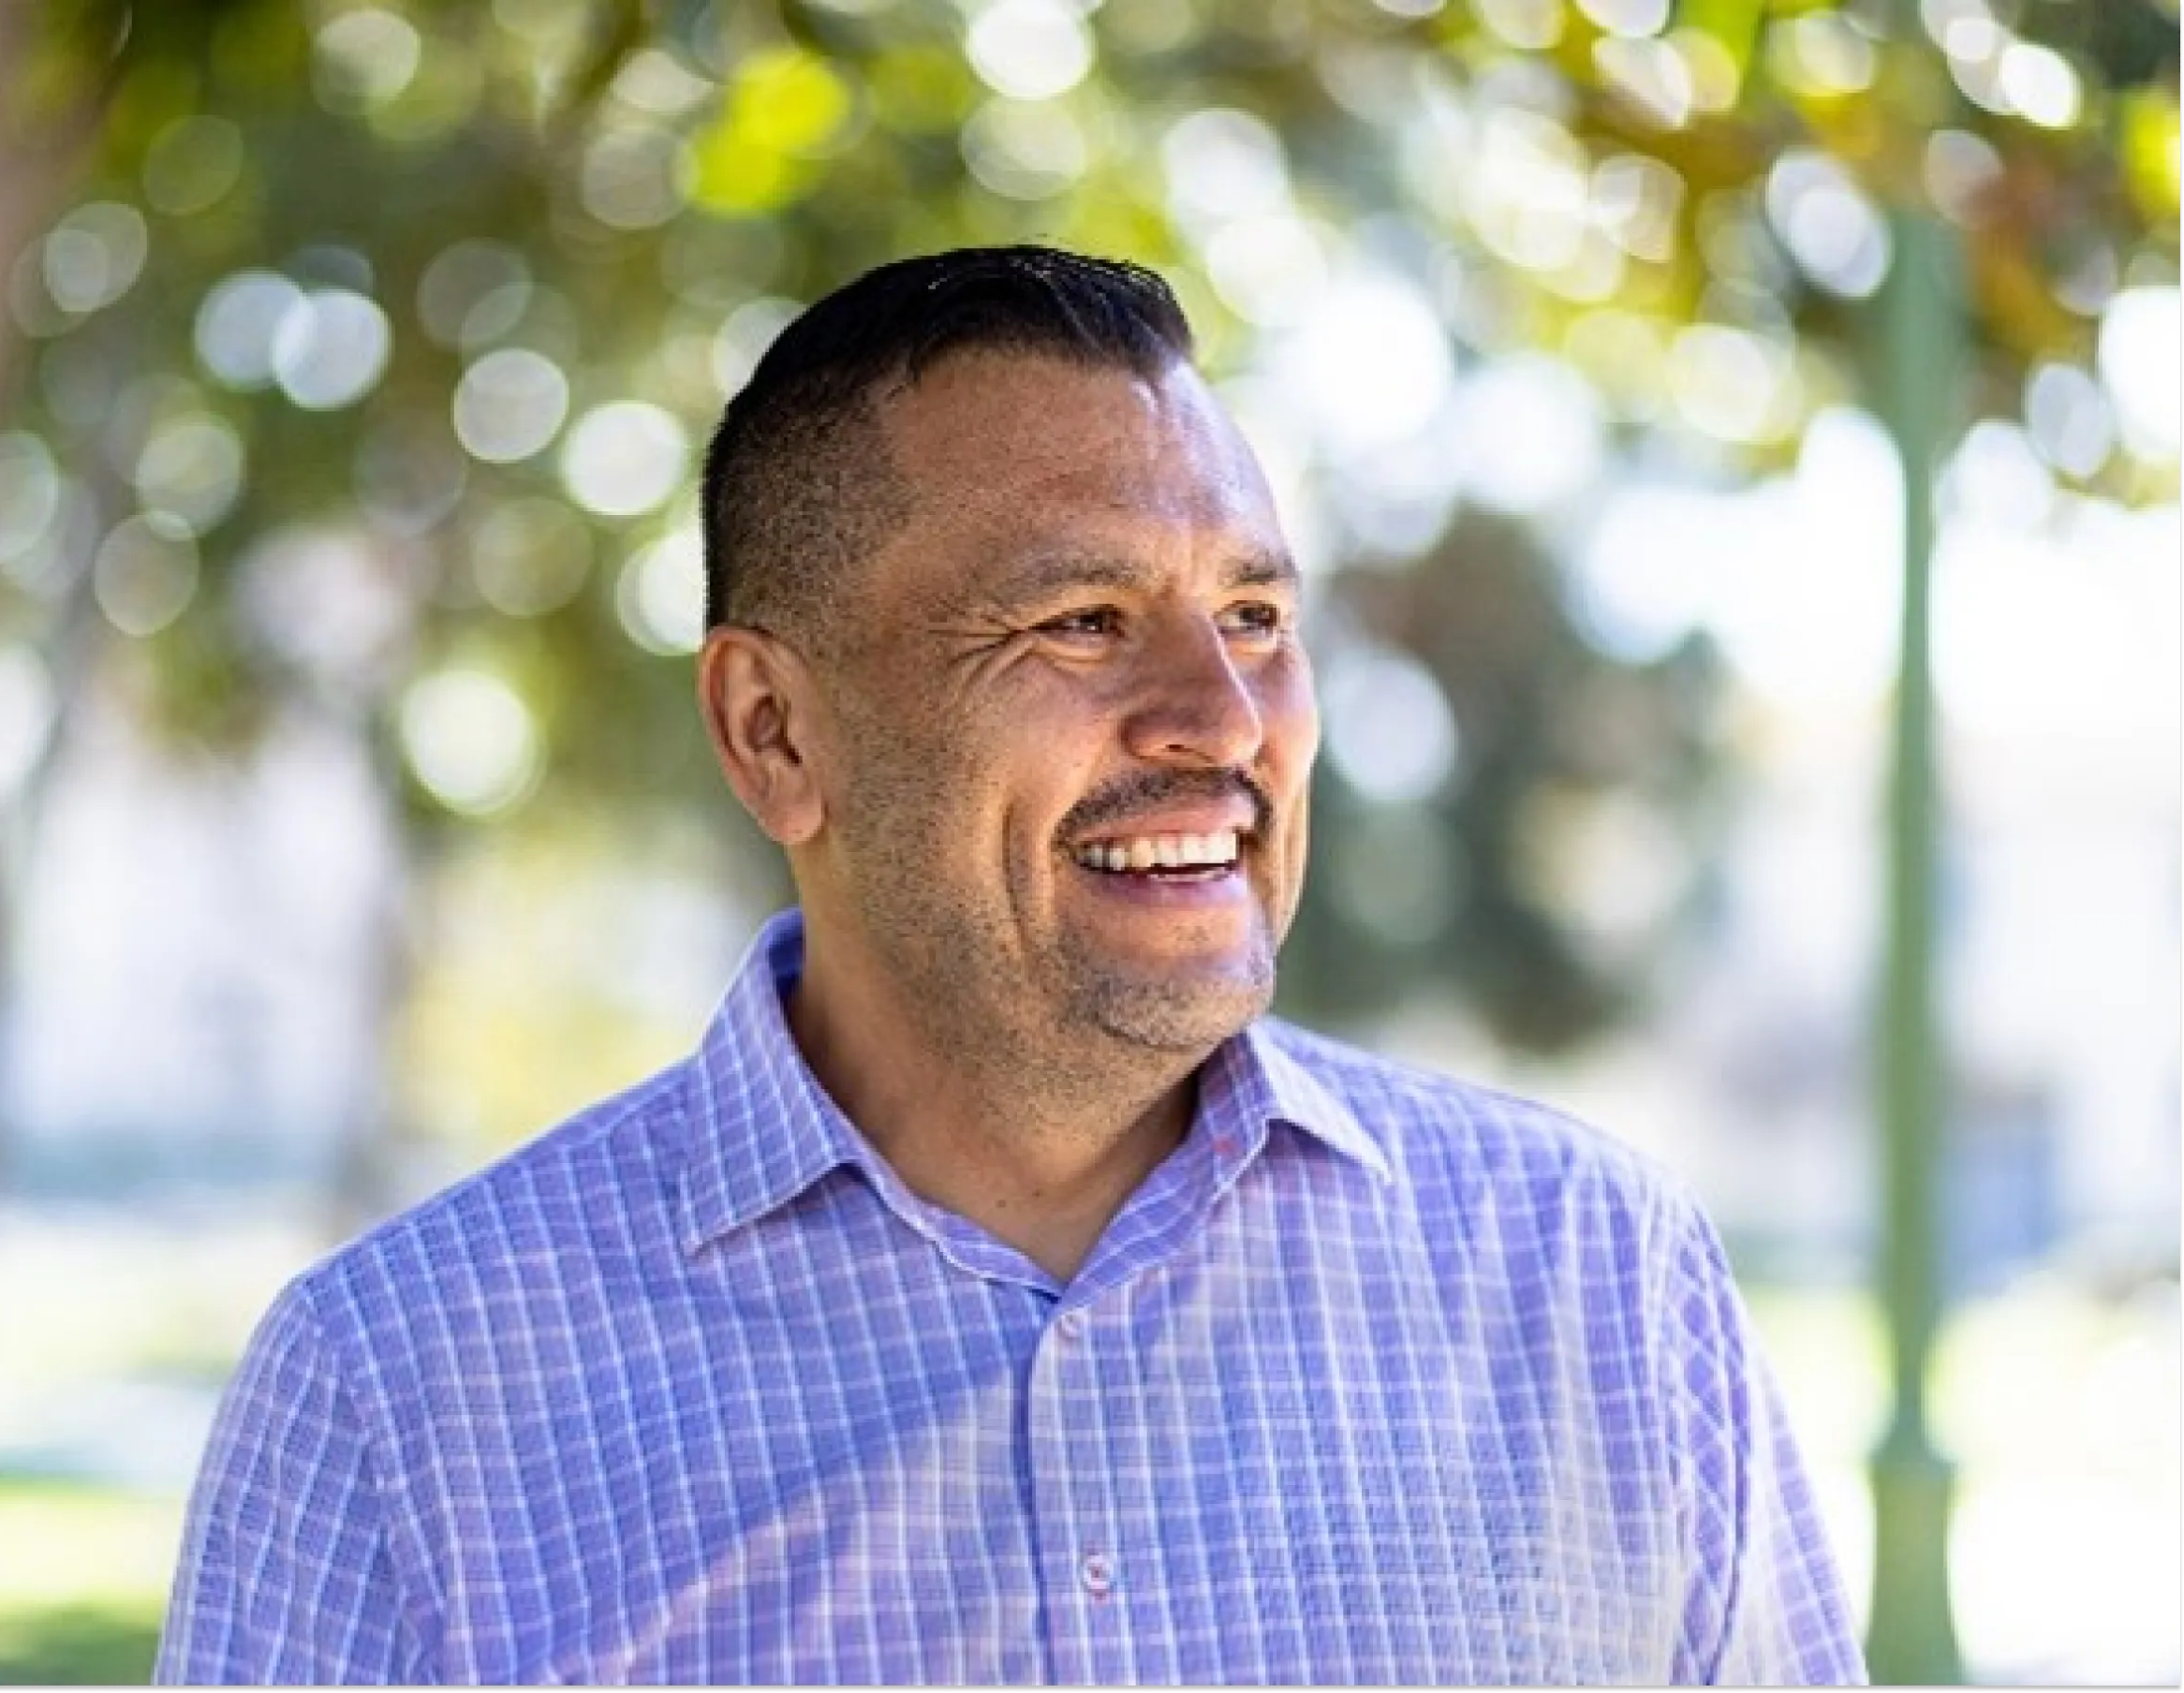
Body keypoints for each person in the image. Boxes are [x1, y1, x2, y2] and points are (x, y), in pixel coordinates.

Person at [156, 247, 1863, 1686]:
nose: (1221, 719)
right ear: (774, 733)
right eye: (1080, 624)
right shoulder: (402, 1396)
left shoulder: (1598, 1291)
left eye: (1256, 615)